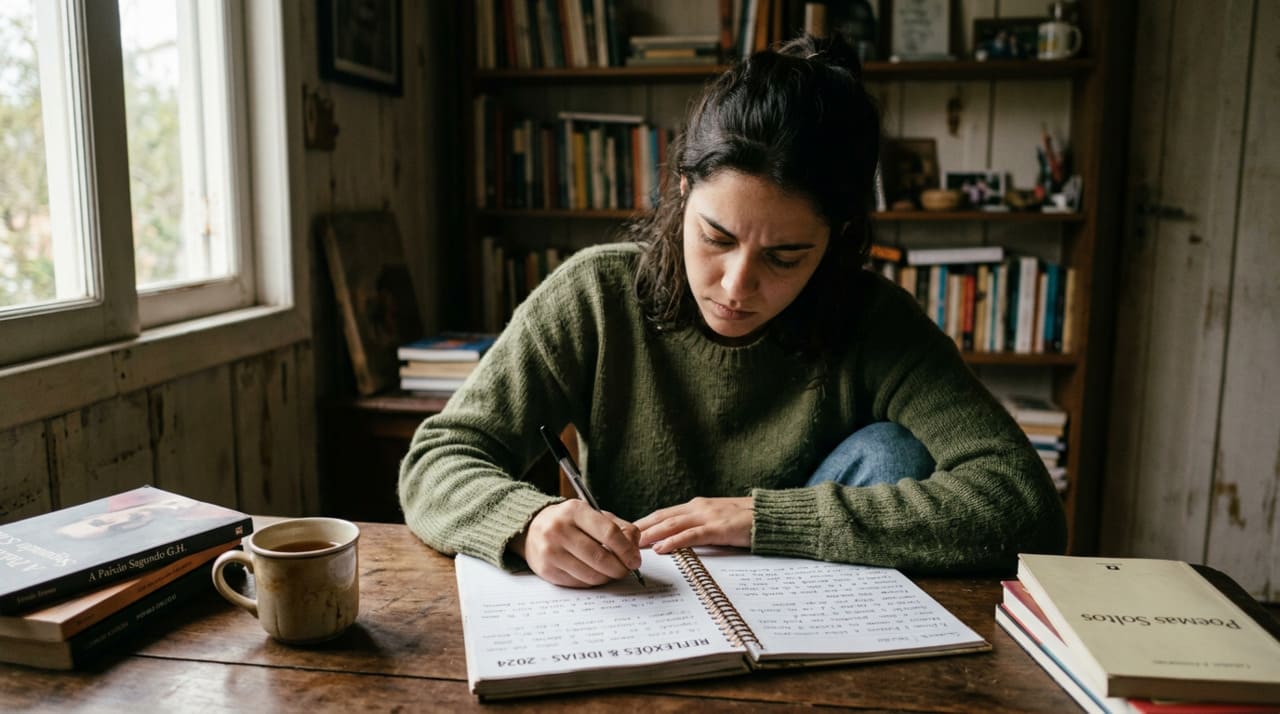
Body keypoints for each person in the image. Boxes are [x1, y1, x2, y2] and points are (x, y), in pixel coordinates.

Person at [399, 34, 1066, 588]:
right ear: (682, 193)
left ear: (837, 241)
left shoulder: (875, 322)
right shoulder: (595, 295)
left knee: (890, 454)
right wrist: (528, 523)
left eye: (785, 257)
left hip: (813, 611)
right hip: (640, 607)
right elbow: (438, 458)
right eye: (716, 237)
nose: (736, 285)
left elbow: (1022, 504)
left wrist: (763, 520)